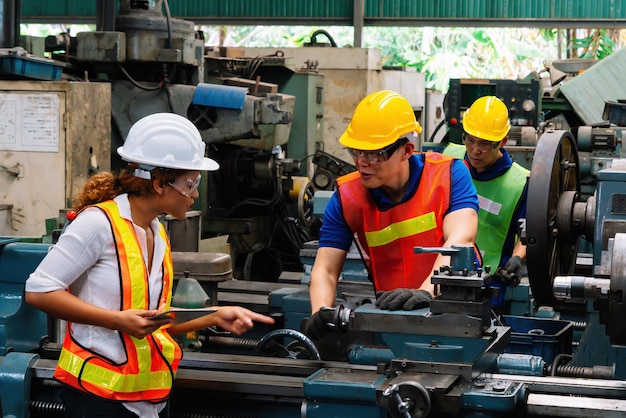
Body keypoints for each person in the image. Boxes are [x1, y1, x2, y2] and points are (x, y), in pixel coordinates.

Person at [25, 112, 275, 418]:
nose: (195, 194)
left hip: (149, 399)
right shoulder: (97, 224)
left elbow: (153, 319)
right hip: (98, 399)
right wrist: (117, 320)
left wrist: (216, 315)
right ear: (159, 184)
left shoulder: (156, 231)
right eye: (190, 183)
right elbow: (39, 291)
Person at [305, 90, 480, 340]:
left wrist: (427, 292)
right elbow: (326, 269)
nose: (361, 162)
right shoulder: (347, 198)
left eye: (374, 154)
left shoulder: (449, 175)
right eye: (356, 151)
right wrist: (320, 313)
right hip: (390, 319)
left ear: (407, 150)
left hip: (455, 317)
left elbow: (460, 241)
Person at [442, 95, 530, 307]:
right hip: (440, 274)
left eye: (484, 144)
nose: (475, 150)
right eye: (470, 139)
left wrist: (517, 258)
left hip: (489, 288)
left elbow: (529, 230)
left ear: (502, 142)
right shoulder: (448, 158)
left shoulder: (519, 183)